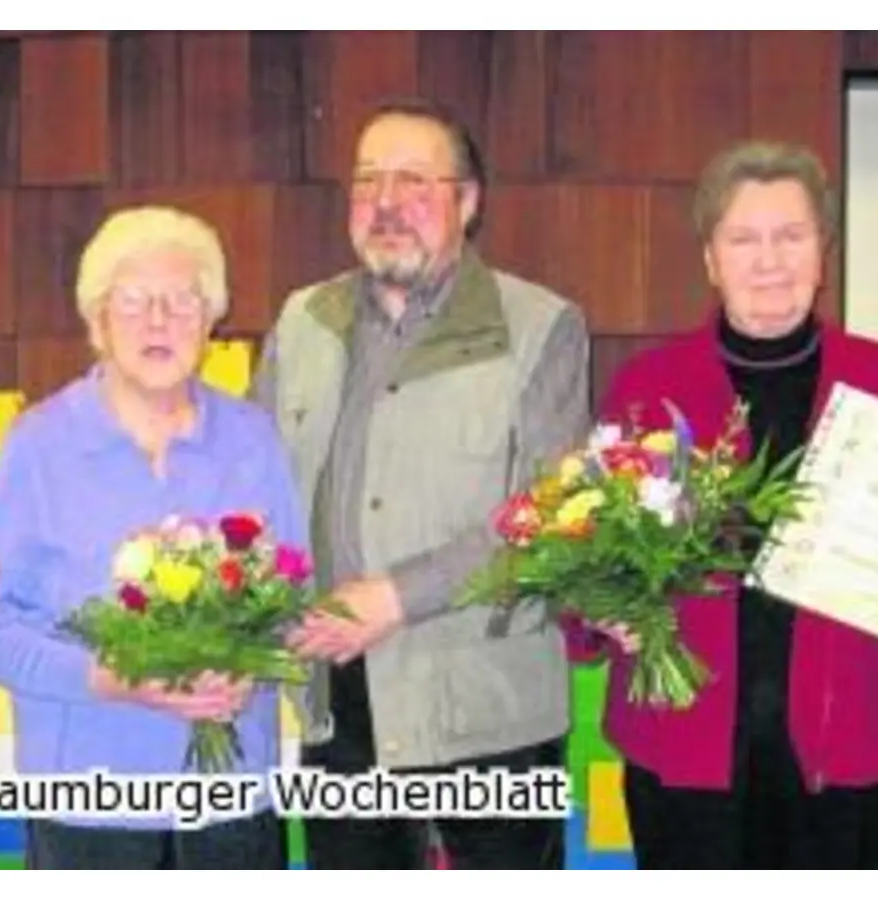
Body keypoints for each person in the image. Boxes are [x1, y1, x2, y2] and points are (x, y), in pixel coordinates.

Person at [568, 139, 878, 869]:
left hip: (852, 744)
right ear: (709, 259)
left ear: (823, 251)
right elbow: (583, 550)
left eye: (791, 236)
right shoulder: (648, 386)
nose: (769, 260)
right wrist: (602, 610)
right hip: (685, 748)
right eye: (743, 238)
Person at [250, 97, 591, 869]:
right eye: (368, 183)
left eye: (414, 182)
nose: (387, 204)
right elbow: (254, 494)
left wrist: (395, 597)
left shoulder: (540, 326)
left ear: (467, 202)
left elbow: (553, 518)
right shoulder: (303, 322)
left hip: (486, 715)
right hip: (335, 708)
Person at [0, 206, 301, 869]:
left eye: (181, 301)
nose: (157, 321)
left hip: (230, 796)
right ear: (97, 321)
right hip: (87, 801)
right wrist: (104, 678)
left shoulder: (252, 440)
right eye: (133, 301)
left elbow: (291, 596)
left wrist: (247, 665)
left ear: (210, 322)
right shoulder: (38, 446)